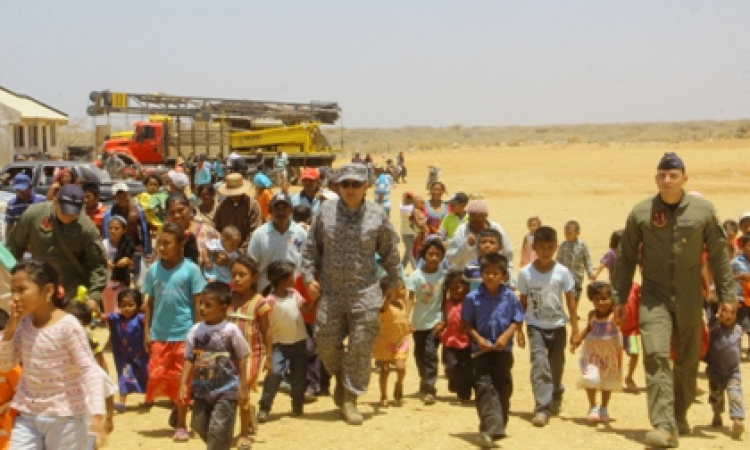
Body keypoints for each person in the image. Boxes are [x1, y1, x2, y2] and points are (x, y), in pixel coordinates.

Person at [613, 152, 737, 447]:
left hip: (690, 296)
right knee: (655, 355)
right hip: (653, 296)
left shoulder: (704, 211)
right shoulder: (641, 212)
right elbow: (626, 257)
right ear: (656, 178)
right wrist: (619, 297)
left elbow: (719, 256)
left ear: (684, 178)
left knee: (687, 360)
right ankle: (663, 424)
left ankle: (679, 414)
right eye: (662, 175)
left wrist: (727, 297)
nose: (667, 180)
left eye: (673, 175)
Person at [300, 163, 400, 425]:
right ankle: (345, 378)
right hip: (331, 292)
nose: (351, 189)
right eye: (346, 184)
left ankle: (350, 398)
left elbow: (390, 252)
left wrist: (394, 283)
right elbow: (311, 251)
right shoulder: (325, 212)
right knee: (323, 338)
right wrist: (309, 279)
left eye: (356, 184)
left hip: (364, 291)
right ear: (338, 186)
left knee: (360, 344)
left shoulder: (378, 215)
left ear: (366, 186)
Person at [0, 260, 105, 448]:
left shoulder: (68, 326)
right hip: (28, 415)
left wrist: (97, 412)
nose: (15, 297)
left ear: (47, 291)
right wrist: (11, 326)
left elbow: (90, 370)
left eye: (22, 290)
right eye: (13, 290)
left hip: (66, 418)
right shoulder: (23, 325)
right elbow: (5, 364)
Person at [141, 222, 207, 442]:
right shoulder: (153, 270)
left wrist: (199, 334)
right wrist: (147, 333)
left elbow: (198, 304)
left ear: (181, 244)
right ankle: (180, 407)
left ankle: (181, 424)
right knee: (158, 376)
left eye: (167, 244)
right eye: (160, 243)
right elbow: (148, 303)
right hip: (160, 333)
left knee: (182, 380)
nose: (161, 248)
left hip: (184, 334)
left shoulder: (191, 270)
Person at [517, 225, 578, 427]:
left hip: (558, 326)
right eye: (541, 247)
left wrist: (576, 329)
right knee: (540, 365)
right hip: (535, 326)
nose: (545, 252)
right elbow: (522, 302)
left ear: (555, 248)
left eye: (549, 247)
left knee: (556, 365)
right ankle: (542, 407)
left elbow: (570, 301)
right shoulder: (525, 273)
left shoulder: (563, 272)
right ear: (534, 247)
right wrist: (519, 329)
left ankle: (556, 392)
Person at [461, 253, 524, 447]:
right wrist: (479, 339)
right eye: (486, 272)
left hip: (503, 352)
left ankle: (498, 425)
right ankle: (488, 428)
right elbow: (466, 323)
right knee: (484, 387)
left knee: (502, 387)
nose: (490, 276)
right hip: (481, 352)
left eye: (495, 273)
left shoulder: (510, 297)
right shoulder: (473, 298)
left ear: (503, 275)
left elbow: (517, 320)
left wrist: (505, 337)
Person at [7, 184, 108, 304]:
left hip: (71, 293)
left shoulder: (86, 228)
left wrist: (94, 296)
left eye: (73, 212)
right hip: (39, 289)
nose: (68, 215)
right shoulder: (34, 215)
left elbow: (97, 263)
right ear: (55, 201)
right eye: (64, 210)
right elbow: (14, 247)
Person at [180, 282, 251, 450]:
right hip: (201, 389)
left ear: (223, 308)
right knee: (198, 424)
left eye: (208, 305)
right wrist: (183, 383)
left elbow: (242, 356)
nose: (202, 308)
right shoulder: (195, 330)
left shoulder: (231, 330)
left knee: (219, 428)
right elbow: (189, 358)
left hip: (226, 389)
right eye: (200, 303)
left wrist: (243, 386)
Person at [257, 261, 316, 421]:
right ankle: (264, 408)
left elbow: (307, 310)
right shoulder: (269, 300)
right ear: (283, 280)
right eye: (292, 276)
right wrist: (267, 353)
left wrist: (315, 299)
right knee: (274, 375)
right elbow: (265, 327)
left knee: (299, 378)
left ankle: (297, 406)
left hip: (299, 343)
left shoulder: (294, 294)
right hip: (279, 345)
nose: (295, 278)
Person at [570, 282, 622, 423]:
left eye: (605, 298)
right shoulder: (592, 314)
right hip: (592, 353)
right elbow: (588, 328)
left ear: (611, 298)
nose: (601, 302)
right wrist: (577, 340)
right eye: (596, 299)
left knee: (607, 381)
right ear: (592, 300)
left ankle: (604, 407)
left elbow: (621, 322)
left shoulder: (614, 315)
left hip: (609, 354)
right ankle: (593, 406)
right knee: (590, 378)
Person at [227, 257, 264, 449]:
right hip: (228, 355)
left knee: (243, 391)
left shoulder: (259, 302)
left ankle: (242, 435)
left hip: (251, 355)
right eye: (234, 275)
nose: (238, 279)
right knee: (230, 392)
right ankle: (247, 416)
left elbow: (267, 332)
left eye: (242, 275)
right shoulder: (226, 299)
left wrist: (270, 358)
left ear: (254, 278)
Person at [407, 240, 446, 405]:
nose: (434, 258)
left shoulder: (444, 276)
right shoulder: (416, 276)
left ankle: (430, 389)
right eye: (431, 254)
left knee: (430, 354)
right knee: (419, 354)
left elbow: (446, 299)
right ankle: (424, 379)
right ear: (424, 256)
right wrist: (405, 318)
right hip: (418, 323)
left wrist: (444, 319)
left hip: (435, 322)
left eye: (438, 255)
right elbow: (410, 299)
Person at [247, 193, 307, 293]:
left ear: (291, 210)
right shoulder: (259, 234)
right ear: (270, 211)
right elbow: (251, 264)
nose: (281, 212)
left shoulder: (300, 233)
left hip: (293, 292)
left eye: (284, 208)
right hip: (266, 291)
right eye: (277, 208)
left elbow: (306, 260)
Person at [705, 302, 745, 440]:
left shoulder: (739, 330)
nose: (728, 315)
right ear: (719, 313)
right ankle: (717, 414)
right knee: (716, 397)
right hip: (715, 371)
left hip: (733, 371)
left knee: (735, 394)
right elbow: (709, 332)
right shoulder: (716, 330)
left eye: (732, 313)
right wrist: (716, 320)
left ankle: (737, 420)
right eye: (724, 312)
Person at [446, 198, 514, 276]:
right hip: (466, 277)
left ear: (486, 217)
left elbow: (508, 256)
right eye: (473, 221)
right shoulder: (462, 230)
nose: (475, 225)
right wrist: (467, 245)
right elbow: (452, 259)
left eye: (479, 221)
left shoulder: (496, 228)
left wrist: (509, 277)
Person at [106, 289, 149, 412]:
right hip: (123, 356)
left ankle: (149, 398)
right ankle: (122, 403)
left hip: (141, 356)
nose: (127, 308)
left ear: (137, 305)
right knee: (123, 376)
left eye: (131, 305)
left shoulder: (141, 319)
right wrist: (94, 309)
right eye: (123, 305)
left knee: (146, 374)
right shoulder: (115, 319)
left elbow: (149, 320)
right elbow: (102, 316)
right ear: (119, 306)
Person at [102, 183, 152, 286]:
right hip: (117, 251)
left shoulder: (138, 211)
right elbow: (106, 233)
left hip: (136, 250)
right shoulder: (109, 213)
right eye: (118, 196)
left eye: (124, 194)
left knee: (139, 282)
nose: (122, 198)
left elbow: (145, 231)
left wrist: (147, 252)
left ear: (128, 194)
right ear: (114, 197)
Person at [372, 278, 410, 407]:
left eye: (404, 288)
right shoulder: (385, 305)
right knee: (384, 369)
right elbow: (384, 308)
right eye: (400, 288)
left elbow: (404, 318)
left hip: (401, 341)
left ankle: (399, 383)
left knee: (401, 368)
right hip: (385, 341)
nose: (403, 291)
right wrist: (386, 299)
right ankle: (383, 395)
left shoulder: (403, 303)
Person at [438, 268, 473, 403]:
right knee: (450, 365)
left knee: (465, 368)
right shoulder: (447, 303)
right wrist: (442, 326)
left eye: (458, 288)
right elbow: (445, 318)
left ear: (465, 288)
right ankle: (453, 381)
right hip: (449, 340)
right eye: (451, 289)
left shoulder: (468, 303)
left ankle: (465, 393)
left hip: (465, 341)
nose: (455, 292)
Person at [164, 192, 219, 267]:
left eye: (181, 210)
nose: (177, 215)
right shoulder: (165, 235)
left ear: (190, 208)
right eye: (171, 212)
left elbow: (225, 250)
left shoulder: (206, 230)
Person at [215, 173, 263, 253]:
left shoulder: (252, 206)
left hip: (248, 251)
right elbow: (217, 229)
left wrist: (241, 251)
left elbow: (255, 231)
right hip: (225, 252)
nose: (235, 195)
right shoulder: (222, 207)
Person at [101, 215, 135, 314]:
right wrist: (105, 262)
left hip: (120, 283)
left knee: (119, 311)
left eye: (116, 228)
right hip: (106, 284)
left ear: (124, 230)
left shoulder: (128, 246)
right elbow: (96, 261)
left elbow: (133, 266)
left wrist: (127, 260)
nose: (113, 231)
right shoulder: (103, 244)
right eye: (110, 228)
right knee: (109, 313)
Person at [556, 220, 595, 304]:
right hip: (565, 275)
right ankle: (572, 311)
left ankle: (574, 311)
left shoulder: (582, 245)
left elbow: (587, 259)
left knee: (576, 294)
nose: (567, 235)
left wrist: (590, 272)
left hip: (578, 275)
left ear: (577, 233)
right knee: (569, 294)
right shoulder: (563, 246)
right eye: (565, 233)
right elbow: (559, 259)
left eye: (569, 233)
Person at [4, 173, 46, 237]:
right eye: (18, 189)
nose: (20, 192)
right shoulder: (12, 205)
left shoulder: (42, 200)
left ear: (30, 187)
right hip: (21, 239)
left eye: (23, 189)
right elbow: (10, 226)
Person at [730, 234, 750, 358]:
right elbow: (726, 276)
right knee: (739, 326)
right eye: (749, 245)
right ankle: (735, 352)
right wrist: (739, 277)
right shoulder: (736, 262)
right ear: (743, 246)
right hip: (741, 298)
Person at [399, 191, 417, 270]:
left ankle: (401, 269)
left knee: (408, 251)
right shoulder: (403, 207)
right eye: (407, 198)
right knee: (411, 252)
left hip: (412, 233)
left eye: (410, 198)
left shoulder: (406, 206)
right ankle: (416, 269)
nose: (409, 200)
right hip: (406, 233)